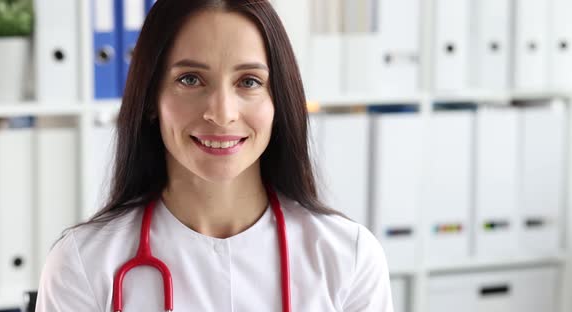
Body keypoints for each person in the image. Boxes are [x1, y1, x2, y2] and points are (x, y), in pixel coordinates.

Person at [36, 0, 394, 311]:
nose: (222, 113)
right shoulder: (83, 264)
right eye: (190, 79)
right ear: (150, 100)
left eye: (249, 82)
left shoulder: (349, 258)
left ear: (278, 100)